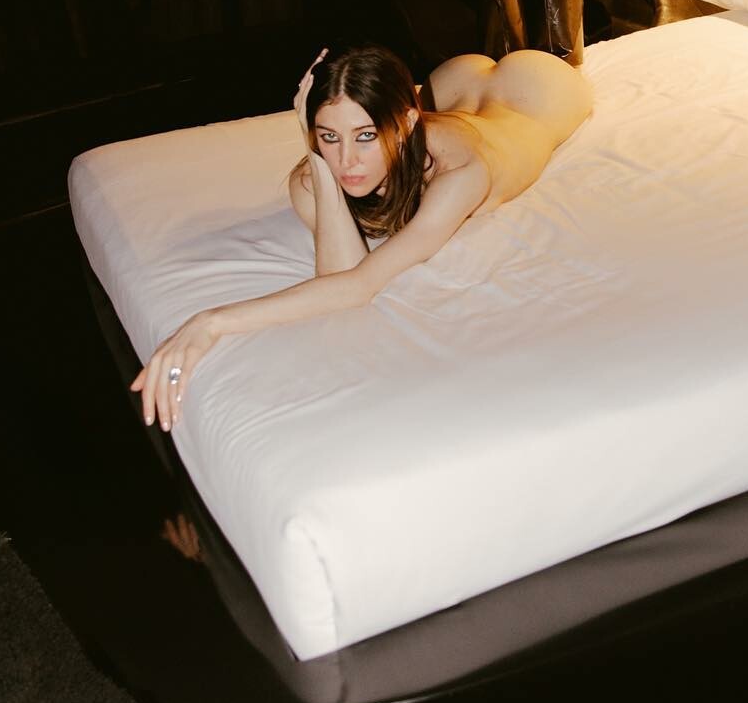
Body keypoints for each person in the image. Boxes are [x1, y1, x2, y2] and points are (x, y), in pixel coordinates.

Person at [131, 43, 593, 433]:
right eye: (329, 137)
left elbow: (359, 285)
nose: (346, 161)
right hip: (454, 84)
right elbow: (339, 271)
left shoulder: (459, 171)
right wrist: (315, 155)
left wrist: (211, 322)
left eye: (365, 136)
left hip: (538, 91)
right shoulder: (315, 175)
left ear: (407, 124)